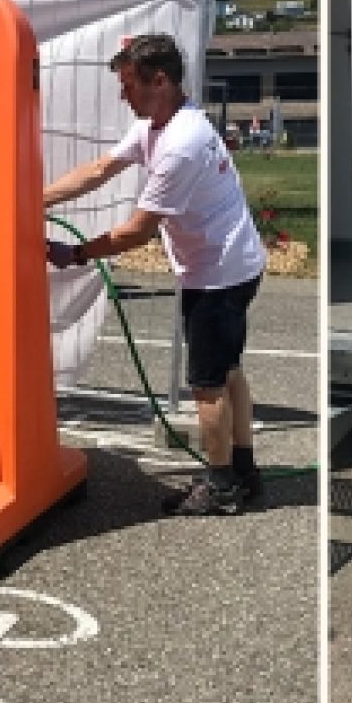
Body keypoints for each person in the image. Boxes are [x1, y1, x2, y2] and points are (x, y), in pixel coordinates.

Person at [43, 33, 267, 516]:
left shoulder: (181, 145)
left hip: (218, 274)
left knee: (208, 384)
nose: (124, 95)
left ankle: (223, 486)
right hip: (233, 261)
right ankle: (243, 469)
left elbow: (137, 232)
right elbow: (100, 168)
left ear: (159, 80)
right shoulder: (160, 126)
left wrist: (74, 253)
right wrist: (35, 199)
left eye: (128, 85)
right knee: (228, 370)